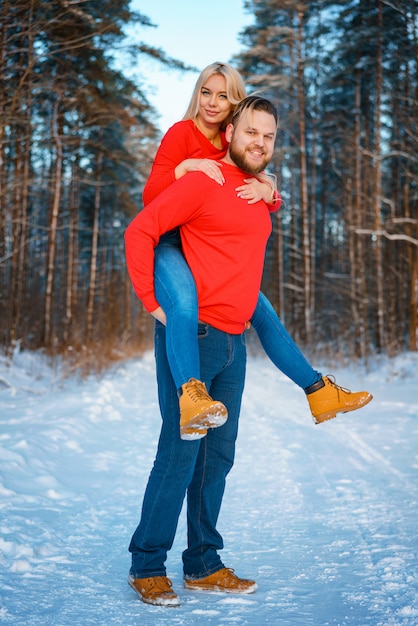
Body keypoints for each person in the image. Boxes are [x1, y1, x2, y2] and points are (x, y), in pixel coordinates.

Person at [124, 96, 371, 606]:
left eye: (269, 135)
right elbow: (141, 229)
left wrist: (271, 191)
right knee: (179, 454)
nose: (259, 142)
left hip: (234, 341)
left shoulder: (257, 191)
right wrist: (152, 301)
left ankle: (203, 563)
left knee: (217, 460)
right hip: (193, 337)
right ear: (231, 130)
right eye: (251, 131)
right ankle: (147, 564)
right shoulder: (202, 180)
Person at [139, 61, 373, 439]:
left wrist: (271, 193)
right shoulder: (183, 133)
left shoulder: (235, 140)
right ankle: (191, 393)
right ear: (196, 94)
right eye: (206, 92)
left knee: (263, 313)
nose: (213, 103)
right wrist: (187, 167)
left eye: (224, 96)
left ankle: (319, 390)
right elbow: (151, 196)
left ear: (235, 105)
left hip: (203, 248)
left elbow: (256, 184)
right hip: (170, 241)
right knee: (182, 304)